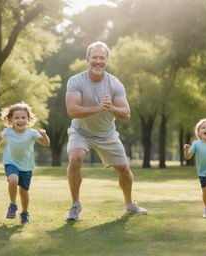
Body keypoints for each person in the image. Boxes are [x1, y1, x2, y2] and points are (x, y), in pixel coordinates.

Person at [65, 41, 148, 221]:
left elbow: (126, 114)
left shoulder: (115, 84)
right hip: (81, 132)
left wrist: (110, 108)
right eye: (94, 57)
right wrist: (99, 107)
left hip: (107, 134)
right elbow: (72, 111)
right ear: (88, 59)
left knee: (124, 170)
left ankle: (129, 205)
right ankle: (75, 205)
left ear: (107, 60)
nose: (98, 61)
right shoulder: (76, 81)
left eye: (102, 58)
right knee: (75, 157)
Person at [0, 102, 50, 224]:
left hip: (26, 166)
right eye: (16, 118)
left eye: (23, 117)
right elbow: (0, 136)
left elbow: (46, 143)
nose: (20, 120)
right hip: (10, 162)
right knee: (13, 180)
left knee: (24, 192)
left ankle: (24, 213)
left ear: (28, 119)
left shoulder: (32, 133)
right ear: (11, 119)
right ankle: (12, 205)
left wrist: (44, 135)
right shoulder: (8, 132)